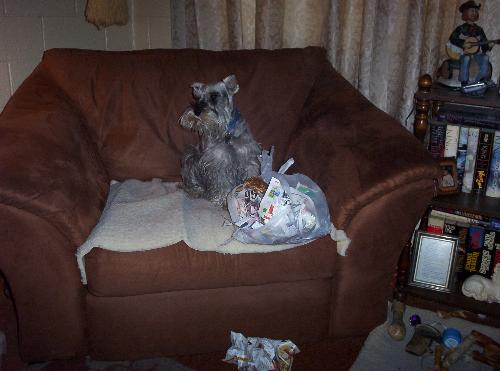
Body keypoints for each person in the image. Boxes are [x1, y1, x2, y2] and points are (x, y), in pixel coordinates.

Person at [448, 1, 494, 87]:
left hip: (476, 53)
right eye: (472, 11)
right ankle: (464, 82)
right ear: (466, 13)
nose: (474, 13)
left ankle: (479, 81)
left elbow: (484, 45)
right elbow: (452, 39)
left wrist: (488, 46)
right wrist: (463, 43)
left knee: (485, 57)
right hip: (464, 52)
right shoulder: (461, 28)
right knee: (466, 59)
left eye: (476, 11)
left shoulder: (479, 29)